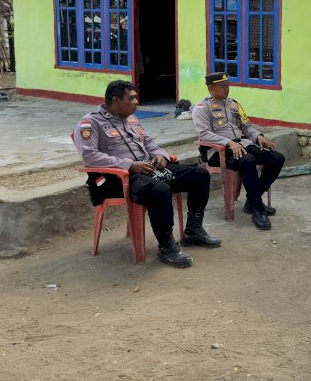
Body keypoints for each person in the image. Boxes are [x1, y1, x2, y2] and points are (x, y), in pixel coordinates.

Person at [73, 80, 221, 269]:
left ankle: (194, 230)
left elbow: (149, 142)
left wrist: (161, 155)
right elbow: (89, 156)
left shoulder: (132, 119)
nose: (136, 102)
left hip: (148, 169)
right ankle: (166, 246)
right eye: (132, 98)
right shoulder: (90, 123)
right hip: (119, 179)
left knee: (199, 174)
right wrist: (128, 165)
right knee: (159, 190)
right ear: (116, 100)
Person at [193, 72, 285, 231]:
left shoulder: (234, 104)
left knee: (277, 158)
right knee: (247, 160)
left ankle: (252, 199)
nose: (227, 89)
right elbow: (204, 133)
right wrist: (228, 143)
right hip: (218, 151)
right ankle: (258, 209)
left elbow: (245, 127)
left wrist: (259, 137)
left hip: (242, 144)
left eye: (227, 85)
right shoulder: (202, 107)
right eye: (223, 86)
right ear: (211, 89)